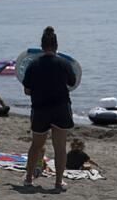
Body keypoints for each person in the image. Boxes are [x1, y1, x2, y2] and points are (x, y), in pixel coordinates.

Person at [22, 26, 76, 190]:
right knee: (59, 147)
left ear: (42, 46)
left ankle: (29, 179)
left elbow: (27, 90)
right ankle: (58, 182)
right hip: (61, 107)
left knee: (36, 145)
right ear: (56, 45)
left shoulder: (33, 64)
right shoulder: (64, 63)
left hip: (40, 109)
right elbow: (72, 83)